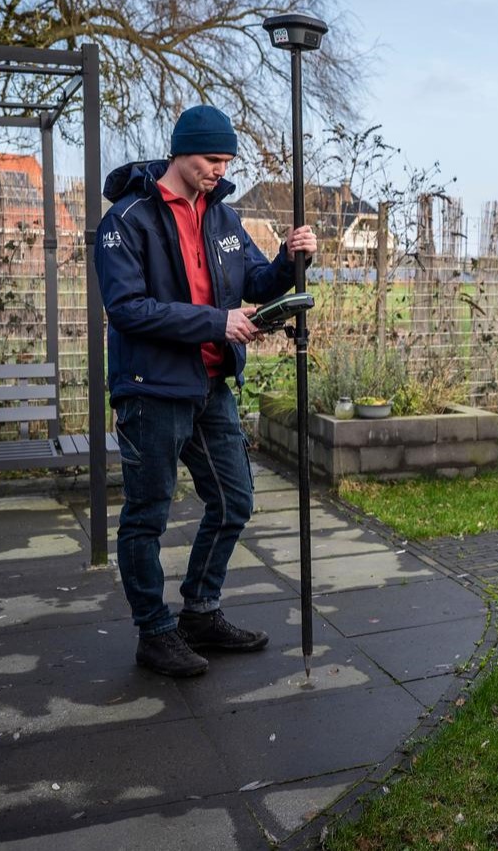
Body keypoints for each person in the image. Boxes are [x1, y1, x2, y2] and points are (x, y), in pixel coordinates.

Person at [94, 104, 317, 676]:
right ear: (181, 151)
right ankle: (154, 631)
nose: (221, 170)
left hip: (212, 385)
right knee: (147, 515)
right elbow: (127, 309)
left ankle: (199, 611)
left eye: (227, 161)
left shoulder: (222, 218)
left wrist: (291, 259)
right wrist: (217, 322)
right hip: (151, 390)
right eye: (212, 159)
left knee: (234, 500)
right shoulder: (127, 220)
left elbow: (256, 281)